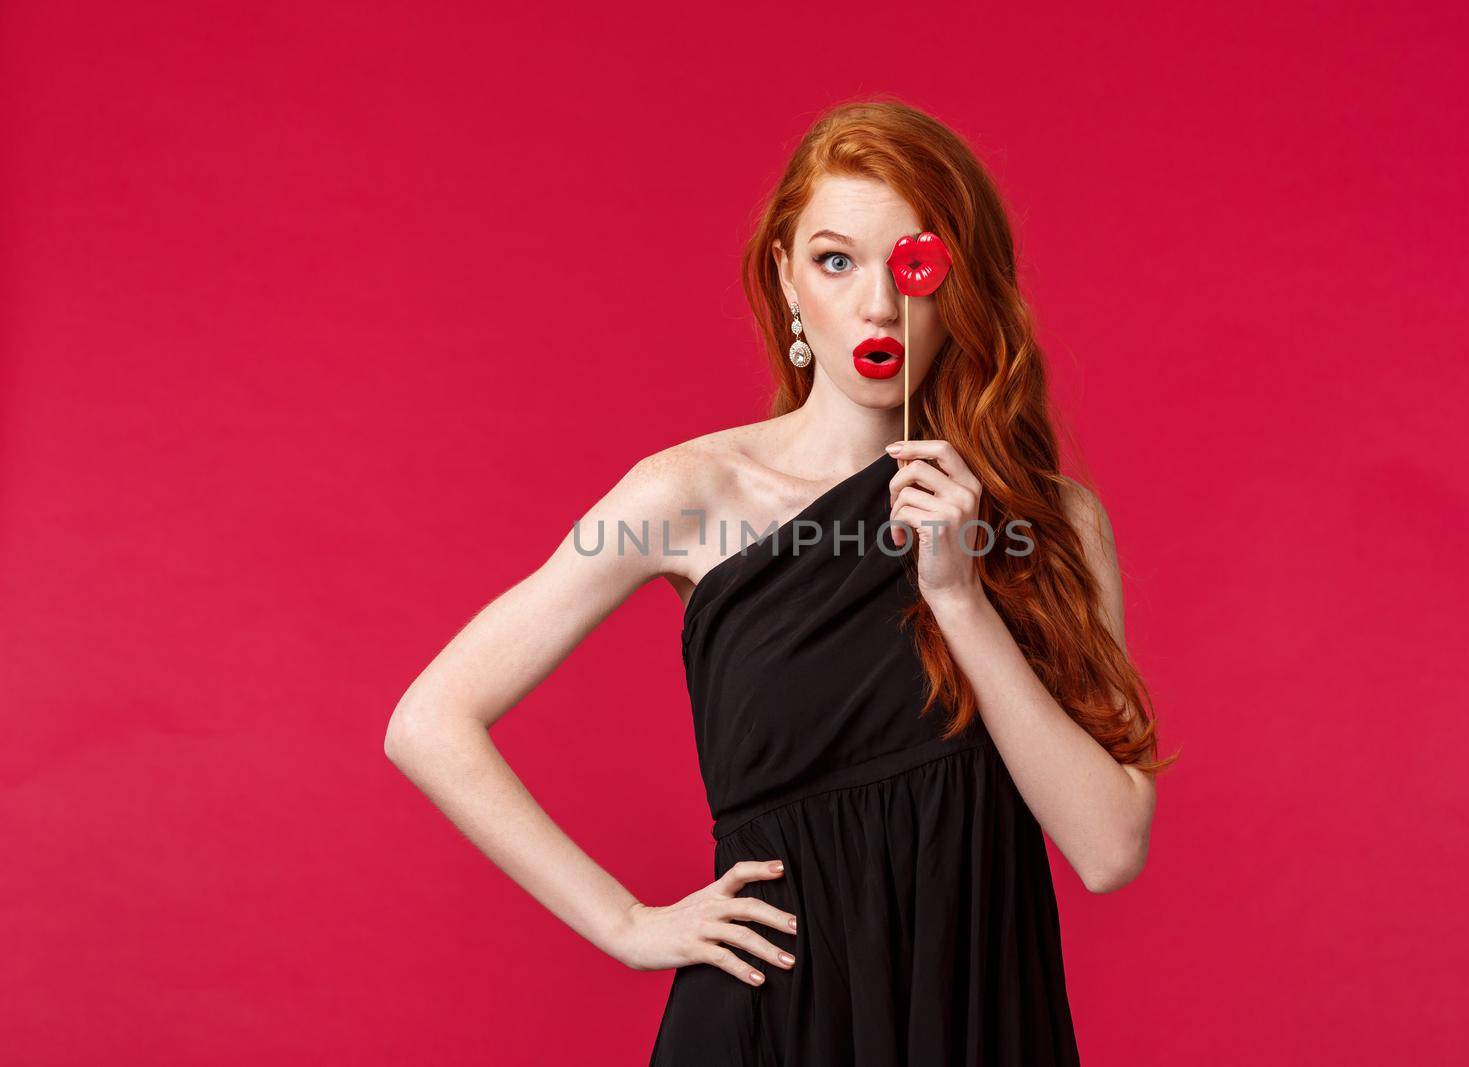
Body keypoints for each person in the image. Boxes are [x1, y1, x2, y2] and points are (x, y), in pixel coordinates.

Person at [384, 98, 1173, 1066]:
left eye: (913, 262)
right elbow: (430, 720)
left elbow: (1108, 848)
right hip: (774, 1015)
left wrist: (959, 594)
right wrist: (624, 920)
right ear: (788, 282)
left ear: (963, 280)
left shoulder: (1050, 521)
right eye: (836, 261)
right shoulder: (690, 492)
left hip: (974, 1011)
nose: (879, 304)